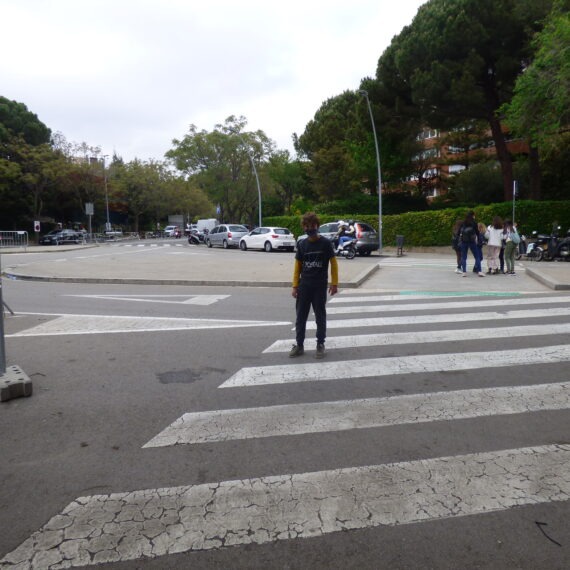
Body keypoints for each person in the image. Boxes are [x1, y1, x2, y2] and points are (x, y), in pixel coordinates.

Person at [290, 212, 339, 359]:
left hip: (319, 286)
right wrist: (295, 286)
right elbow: (297, 267)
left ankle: (320, 344)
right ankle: (299, 345)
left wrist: (334, 283)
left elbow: (334, 264)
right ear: (303, 227)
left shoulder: (326, 243)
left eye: (312, 225)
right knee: (300, 317)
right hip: (304, 287)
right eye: (306, 226)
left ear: (317, 226)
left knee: (320, 317)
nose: (309, 228)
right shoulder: (302, 244)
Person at [458, 211, 484, 277]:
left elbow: (458, 233)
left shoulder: (463, 223)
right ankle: (479, 271)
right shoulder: (474, 223)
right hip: (472, 242)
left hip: (464, 241)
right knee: (477, 256)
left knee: (464, 257)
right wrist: (479, 240)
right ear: (472, 216)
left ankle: (464, 272)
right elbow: (477, 233)